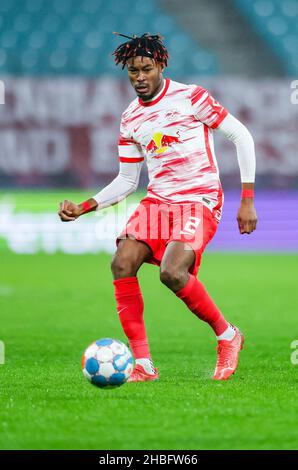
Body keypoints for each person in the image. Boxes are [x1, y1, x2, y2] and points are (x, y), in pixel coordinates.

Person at [58, 33, 257, 382]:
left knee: (172, 272)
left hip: (199, 198)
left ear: (161, 65)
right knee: (121, 262)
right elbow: (127, 180)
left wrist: (247, 200)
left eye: (146, 69)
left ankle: (228, 336)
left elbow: (241, 135)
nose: (139, 77)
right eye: (133, 71)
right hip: (158, 202)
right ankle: (143, 365)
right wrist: (84, 206)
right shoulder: (131, 118)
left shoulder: (191, 97)